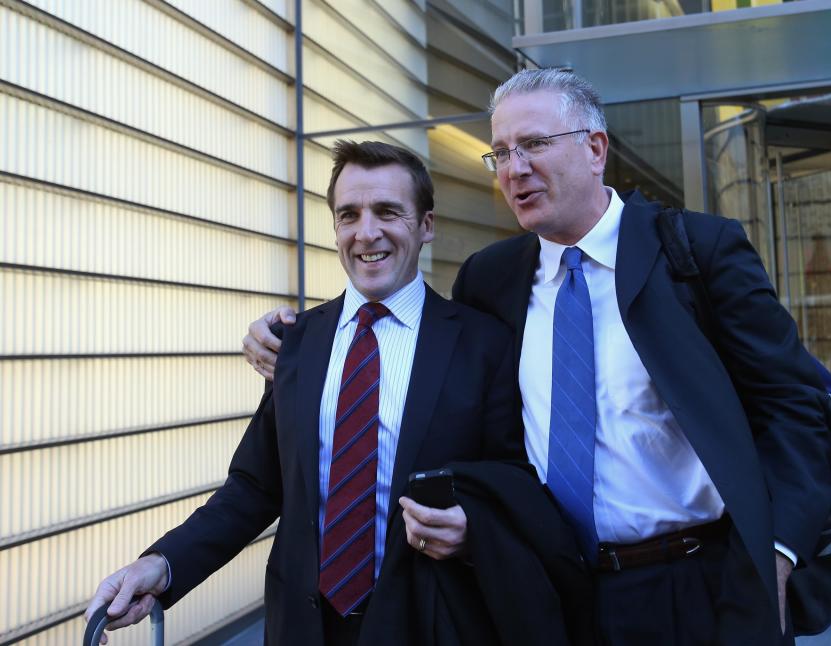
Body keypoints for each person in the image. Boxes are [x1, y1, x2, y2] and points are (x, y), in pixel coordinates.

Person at [244, 69, 831, 645]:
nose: (514, 169)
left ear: (595, 148)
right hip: (543, 588)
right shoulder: (491, 278)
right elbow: (443, 387)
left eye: (534, 145)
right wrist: (286, 334)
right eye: (500, 152)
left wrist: (776, 555)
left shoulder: (698, 251)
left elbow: (792, 407)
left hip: (690, 584)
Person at [84, 141, 529, 645]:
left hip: (430, 624)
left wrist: (473, 532)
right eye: (349, 215)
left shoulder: (483, 345)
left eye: (388, 212)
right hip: (303, 628)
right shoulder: (294, 343)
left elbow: (515, 485)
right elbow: (255, 487)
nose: (367, 232)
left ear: (426, 225)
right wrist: (161, 566)